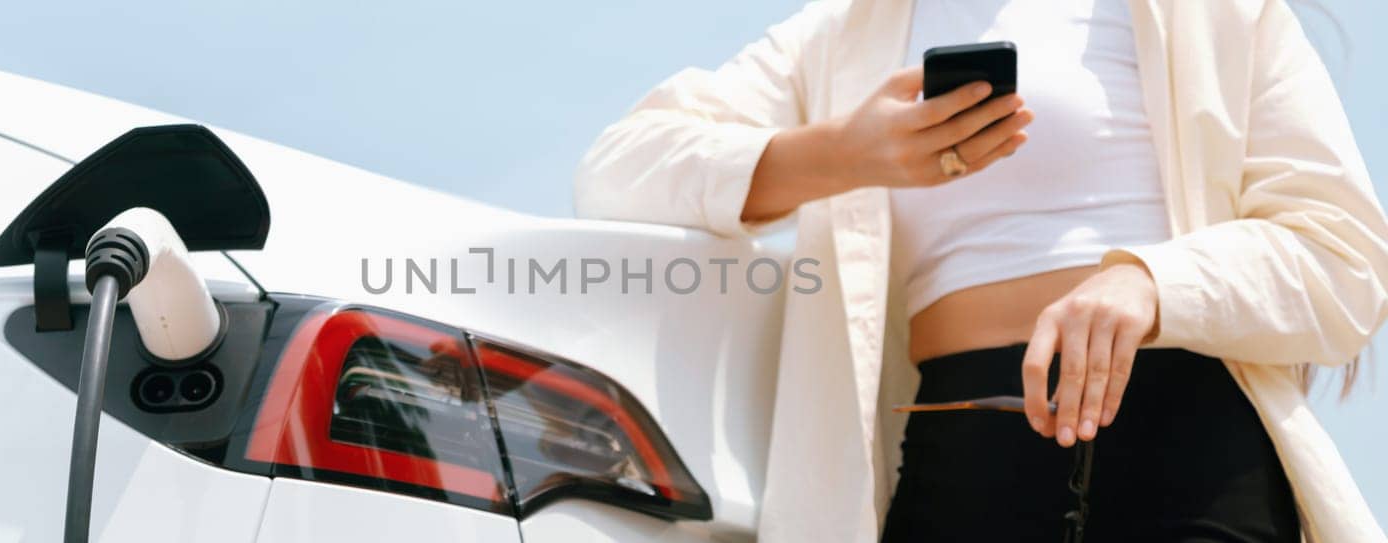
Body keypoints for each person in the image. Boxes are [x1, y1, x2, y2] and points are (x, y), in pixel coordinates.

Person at [573, 0, 1388, 541]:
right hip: (957, 453)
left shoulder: (1214, 12)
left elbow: (1346, 253)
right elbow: (616, 168)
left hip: (1194, 451)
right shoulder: (844, 33)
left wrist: (1148, 281)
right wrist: (842, 153)